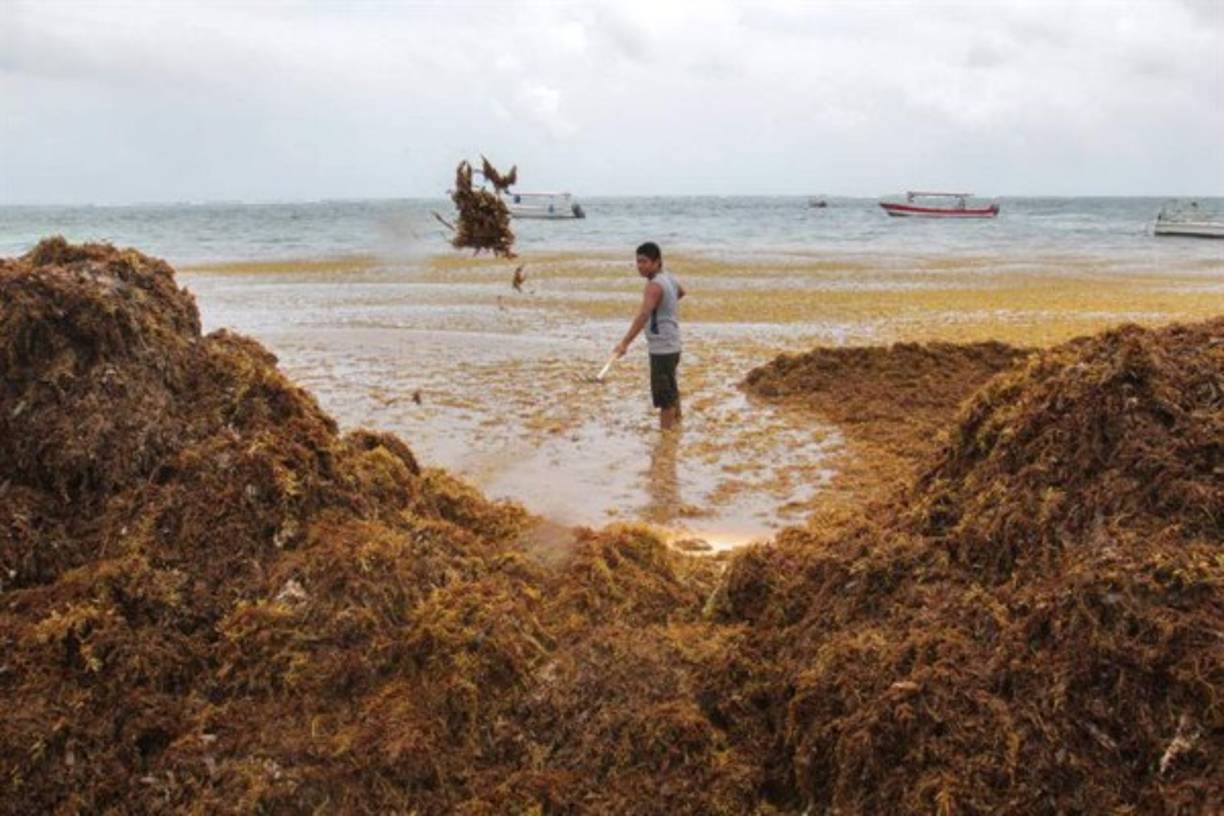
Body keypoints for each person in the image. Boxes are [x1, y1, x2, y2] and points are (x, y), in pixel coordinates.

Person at [613, 241, 686, 430]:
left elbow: (643, 315)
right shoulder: (668, 278)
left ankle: (666, 437)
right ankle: (677, 427)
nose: (640, 266)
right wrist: (664, 309)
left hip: (662, 348)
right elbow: (681, 292)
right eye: (638, 261)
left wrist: (624, 343)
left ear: (657, 262)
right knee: (671, 388)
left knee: (665, 398)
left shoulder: (653, 286)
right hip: (673, 344)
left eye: (644, 262)